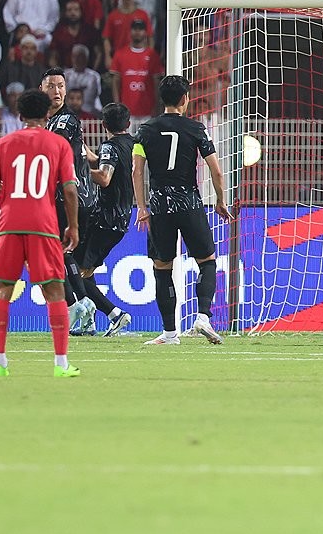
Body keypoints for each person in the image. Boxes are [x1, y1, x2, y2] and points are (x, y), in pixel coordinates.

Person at [0, 89, 81, 378]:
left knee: (3, 290)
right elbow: (70, 189)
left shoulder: (1, 145)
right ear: (48, 114)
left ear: (20, 116)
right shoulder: (58, 144)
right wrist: (72, 225)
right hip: (44, 226)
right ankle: (61, 364)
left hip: (8, 225)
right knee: (54, 290)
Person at [133, 75, 232, 345]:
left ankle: (169, 333)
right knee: (207, 260)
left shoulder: (145, 130)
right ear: (185, 99)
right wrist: (221, 201)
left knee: (162, 267)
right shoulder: (196, 129)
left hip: (160, 205)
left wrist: (142, 207)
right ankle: (202, 316)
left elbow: (137, 170)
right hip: (189, 203)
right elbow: (216, 170)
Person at [41, 67, 99, 335]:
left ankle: (77, 305)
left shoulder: (64, 121)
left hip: (70, 196)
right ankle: (86, 310)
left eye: (61, 85)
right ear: (42, 89)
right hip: (71, 196)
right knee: (66, 253)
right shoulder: (52, 121)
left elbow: (55, 149)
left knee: (53, 252)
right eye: (51, 85)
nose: (57, 91)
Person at [80, 103, 135, 337]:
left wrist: (74, 170)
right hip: (121, 218)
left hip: (105, 219)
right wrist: (85, 156)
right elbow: (104, 162)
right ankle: (97, 318)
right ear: (128, 124)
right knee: (85, 271)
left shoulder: (109, 147)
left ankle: (110, 314)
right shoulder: (132, 143)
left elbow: (103, 177)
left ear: (103, 125)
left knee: (75, 271)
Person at [109, 18, 162, 117]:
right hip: (126, 112)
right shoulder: (120, 54)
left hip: (148, 111)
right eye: (135, 29)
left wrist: (157, 106)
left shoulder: (153, 55)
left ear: (145, 32)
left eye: (140, 29)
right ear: (130, 31)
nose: (137, 32)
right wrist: (117, 105)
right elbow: (115, 81)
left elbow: (156, 84)